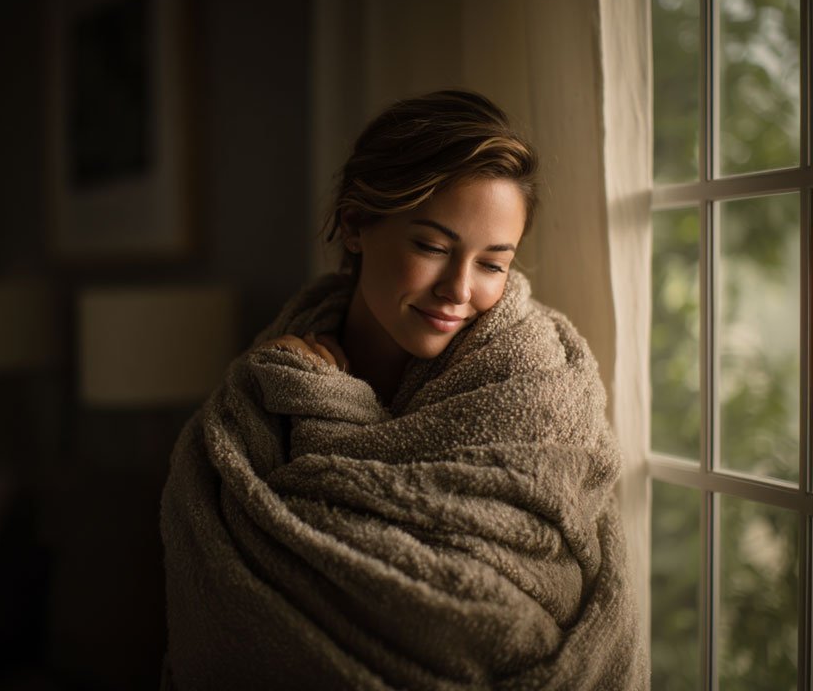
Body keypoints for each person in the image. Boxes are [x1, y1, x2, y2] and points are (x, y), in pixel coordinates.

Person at [160, 90, 647, 690]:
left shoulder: (537, 378)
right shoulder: (275, 372)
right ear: (357, 223)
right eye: (433, 247)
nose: (458, 290)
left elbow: (496, 618)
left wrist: (334, 414)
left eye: (493, 263)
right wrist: (300, 391)